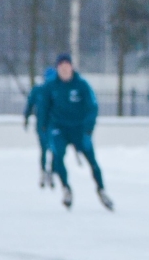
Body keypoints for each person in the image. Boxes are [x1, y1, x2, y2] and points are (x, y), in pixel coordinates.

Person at [42, 53, 114, 211]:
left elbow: (92, 107)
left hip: (79, 129)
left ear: (72, 67)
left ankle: (101, 189)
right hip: (59, 128)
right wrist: (45, 127)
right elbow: (43, 107)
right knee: (58, 155)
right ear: (57, 69)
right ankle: (66, 188)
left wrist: (88, 129)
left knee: (92, 160)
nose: (64, 69)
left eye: (67, 66)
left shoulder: (81, 85)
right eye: (61, 67)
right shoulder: (51, 86)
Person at [23, 66, 55, 188]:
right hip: (42, 126)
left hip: (54, 126)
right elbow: (30, 104)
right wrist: (26, 117)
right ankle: (44, 172)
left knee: (54, 150)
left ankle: (50, 172)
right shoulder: (38, 90)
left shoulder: (57, 91)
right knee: (45, 150)